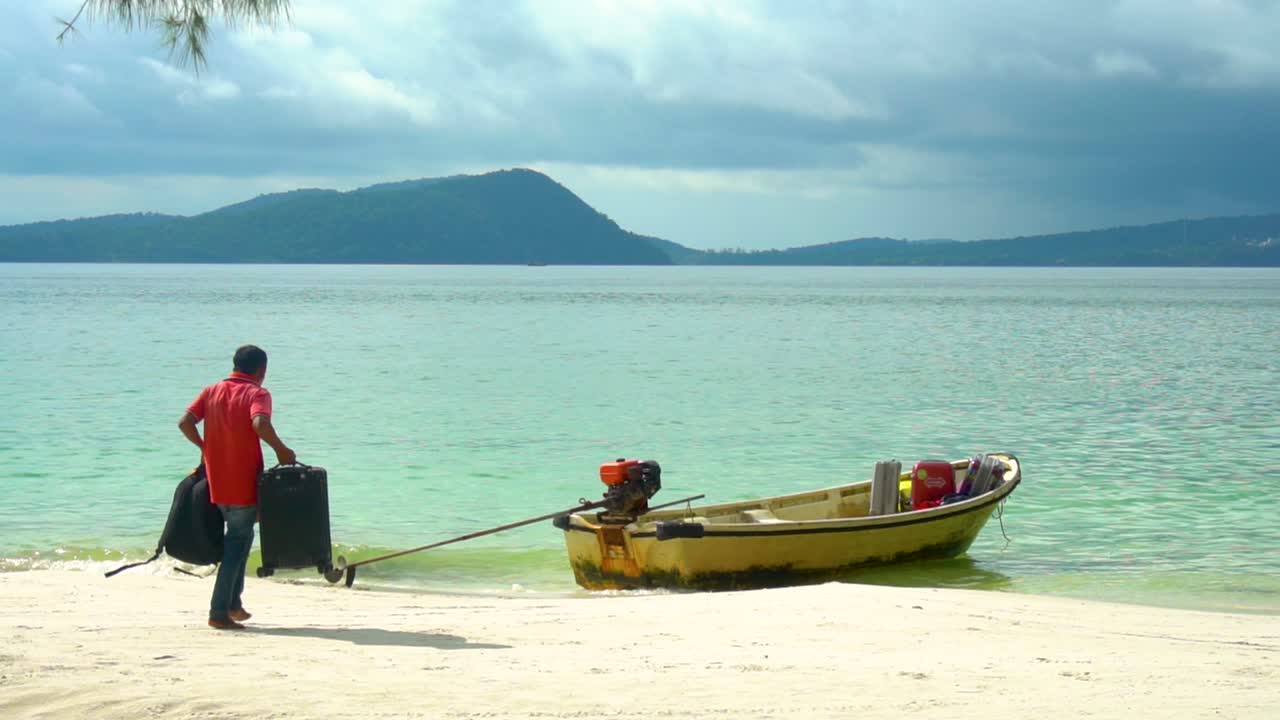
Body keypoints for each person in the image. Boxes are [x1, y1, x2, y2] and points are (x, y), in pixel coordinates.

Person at [178, 345, 295, 630]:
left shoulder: (211, 391)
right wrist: (281, 449)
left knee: (240, 539)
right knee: (237, 543)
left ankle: (233, 603)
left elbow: (185, 423)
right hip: (243, 482)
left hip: (217, 482)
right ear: (261, 370)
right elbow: (259, 423)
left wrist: (206, 449)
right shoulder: (258, 393)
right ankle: (219, 611)